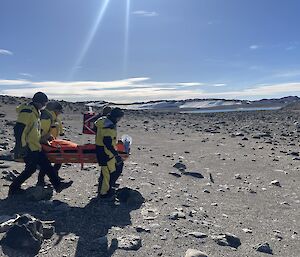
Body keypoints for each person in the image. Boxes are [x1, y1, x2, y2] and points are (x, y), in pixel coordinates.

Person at [9, 92, 73, 196]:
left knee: (44, 165)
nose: (44, 105)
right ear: (38, 102)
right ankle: (13, 188)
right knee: (33, 168)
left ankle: (57, 185)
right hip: (28, 146)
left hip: (35, 145)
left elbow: (34, 131)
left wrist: (43, 138)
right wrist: (22, 147)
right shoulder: (27, 112)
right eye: (43, 103)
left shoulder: (35, 112)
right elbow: (19, 129)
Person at [95, 107, 124, 198]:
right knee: (106, 173)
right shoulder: (109, 127)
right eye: (119, 118)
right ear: (116, 117)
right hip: (105, 152)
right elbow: (107, 142)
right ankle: (104, 193)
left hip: (102, 150)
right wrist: (116, 154)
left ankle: (106, 188)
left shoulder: (104, 121)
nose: (120, 120)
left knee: (110, 171)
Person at [37, 101, 65, 186]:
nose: (60, 113)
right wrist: (45, 139)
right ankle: (44, 180)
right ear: (56, 110)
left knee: (49, 161)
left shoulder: (53, 117)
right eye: (59, 111)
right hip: (44, 141)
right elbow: (42, 130)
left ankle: (51, 177)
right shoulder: (48, 117)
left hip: (48, 141)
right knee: (48, 161)